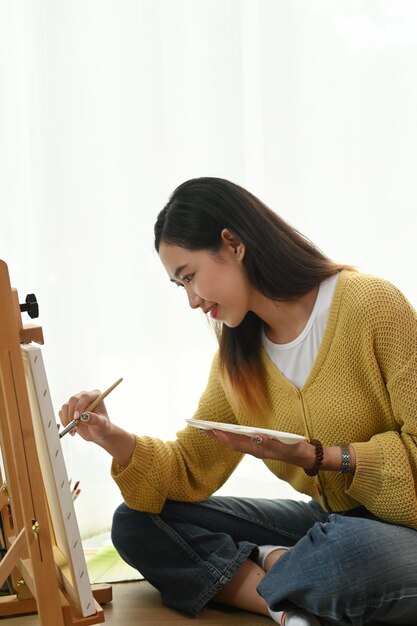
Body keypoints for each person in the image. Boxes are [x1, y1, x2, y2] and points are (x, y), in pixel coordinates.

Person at [60, 177, 417, 626]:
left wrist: (317, 456)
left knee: (344, 553)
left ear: (232, 244)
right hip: (324, 526)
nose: (192, 301)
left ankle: (268, 567)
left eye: (189, 276)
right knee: (136, 521)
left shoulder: (372, 306)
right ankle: (282, 605)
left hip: (399, 535)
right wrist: (112, 437)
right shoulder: (238, 356)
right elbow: (188, 469)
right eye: (179, 286)